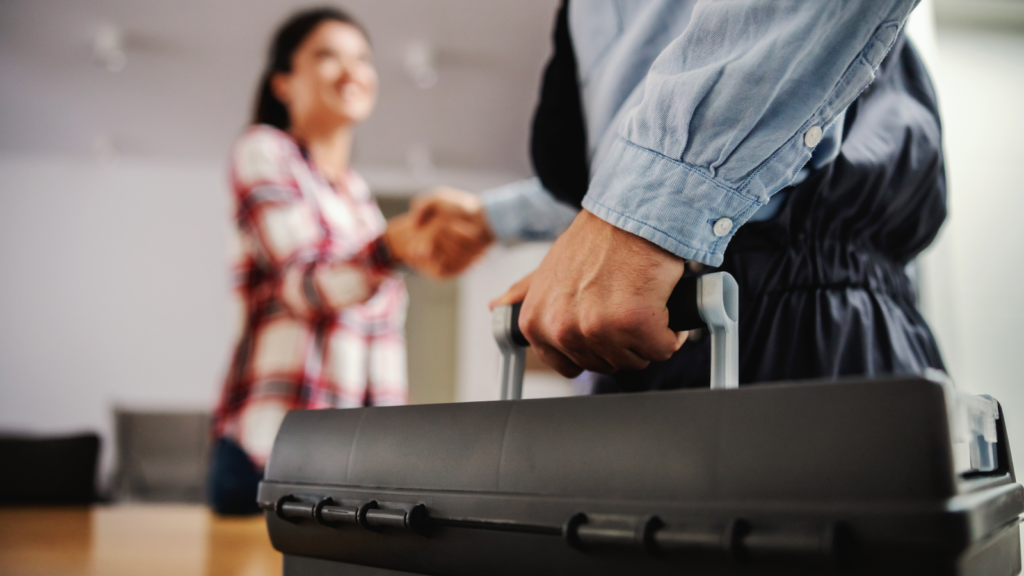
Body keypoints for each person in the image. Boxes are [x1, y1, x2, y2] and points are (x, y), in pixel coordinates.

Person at [414, 0, 947, 392]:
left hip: (806, 321)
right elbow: (629, 168)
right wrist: (492, 219)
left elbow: (671, 190)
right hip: (642, 340)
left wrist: (638, 219)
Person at [207, 8, 482, 515]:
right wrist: (394, 249)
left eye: (362, 58)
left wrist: (396, 450)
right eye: (327, 56)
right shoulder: (263, 151)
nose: (352, 70)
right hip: (270, 454)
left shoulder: (358, 198)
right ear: (284, 82)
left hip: (347, 465)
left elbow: (377, 341)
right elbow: (304, 285)